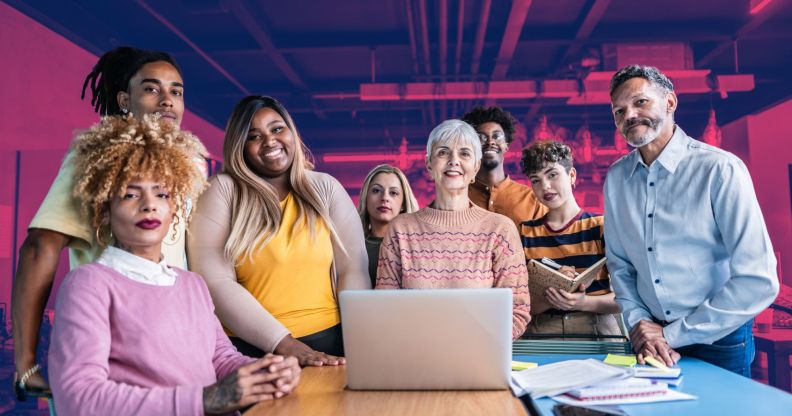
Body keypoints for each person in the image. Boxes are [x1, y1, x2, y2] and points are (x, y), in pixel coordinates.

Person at [48, 115, 300, 415]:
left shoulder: (192, 284)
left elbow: (221, 359)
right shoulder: (89, 285)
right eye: (130, 194)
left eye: (161, 194)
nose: (149, 205)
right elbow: (78, 399)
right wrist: (206, 400)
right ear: (104, 210)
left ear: (174, 207)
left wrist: (266, 372)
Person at [12, 46, 195, 398]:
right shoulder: (98, 156)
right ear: (125, 100)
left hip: (171, 349)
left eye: (176, 91)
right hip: (107, 351)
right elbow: (38, 247)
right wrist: (25, 365)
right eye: (151, 88)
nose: (167, 100)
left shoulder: (179, 167)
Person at [604, 65, 779, 375]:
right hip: (649, 339)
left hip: (720, 339)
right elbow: (620, 266)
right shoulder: (617, 178)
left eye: (640, 102)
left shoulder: (719, 169)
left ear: (670, 102)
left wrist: (671, 334)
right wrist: (640, 323)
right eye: (619, 111)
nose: (629, 115)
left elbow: (758, 279)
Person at [187, 96, 370, 367]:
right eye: (254, 136)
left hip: (332, 342)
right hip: (256, 348)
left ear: (291, 132)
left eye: (277, 129)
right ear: (240, 146)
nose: (270, 141)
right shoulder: (223, 190)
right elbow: (215, 281)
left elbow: (352, 270)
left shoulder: (325, 188)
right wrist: (286, 344)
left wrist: (359, 339)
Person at [376, 119, 531, 340]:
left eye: (464, 153)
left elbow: (517, 312)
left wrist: (469, 345)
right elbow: (384, 309)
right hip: (415, 353)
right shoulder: (400, 230)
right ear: (429, 164)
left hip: (478, 353)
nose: (454, 161)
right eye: (443, 153)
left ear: (476, 166)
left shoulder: (500, 230)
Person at [520, 140, 621, 337]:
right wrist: (553, 293)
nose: (545, 186)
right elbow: (519, 304)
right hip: (542, 333)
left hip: (597, 329)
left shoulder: (602, 226)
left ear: (572, 175)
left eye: (552, 175)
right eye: (536, 180)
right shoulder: (525, 233)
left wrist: (583, 302)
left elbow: (627, 298)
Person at [462, 106, 547, 229]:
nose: (490, 142)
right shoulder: (457, 198)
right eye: (481, 137)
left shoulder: (533, 200)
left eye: (497, 136)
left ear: (506, 146)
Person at [357, 164, 419, 286]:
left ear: (403, 203)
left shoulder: (417, 247)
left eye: (393, 193)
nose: (385, 197)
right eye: (376, 191)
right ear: (366, 198)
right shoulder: (350, 246)